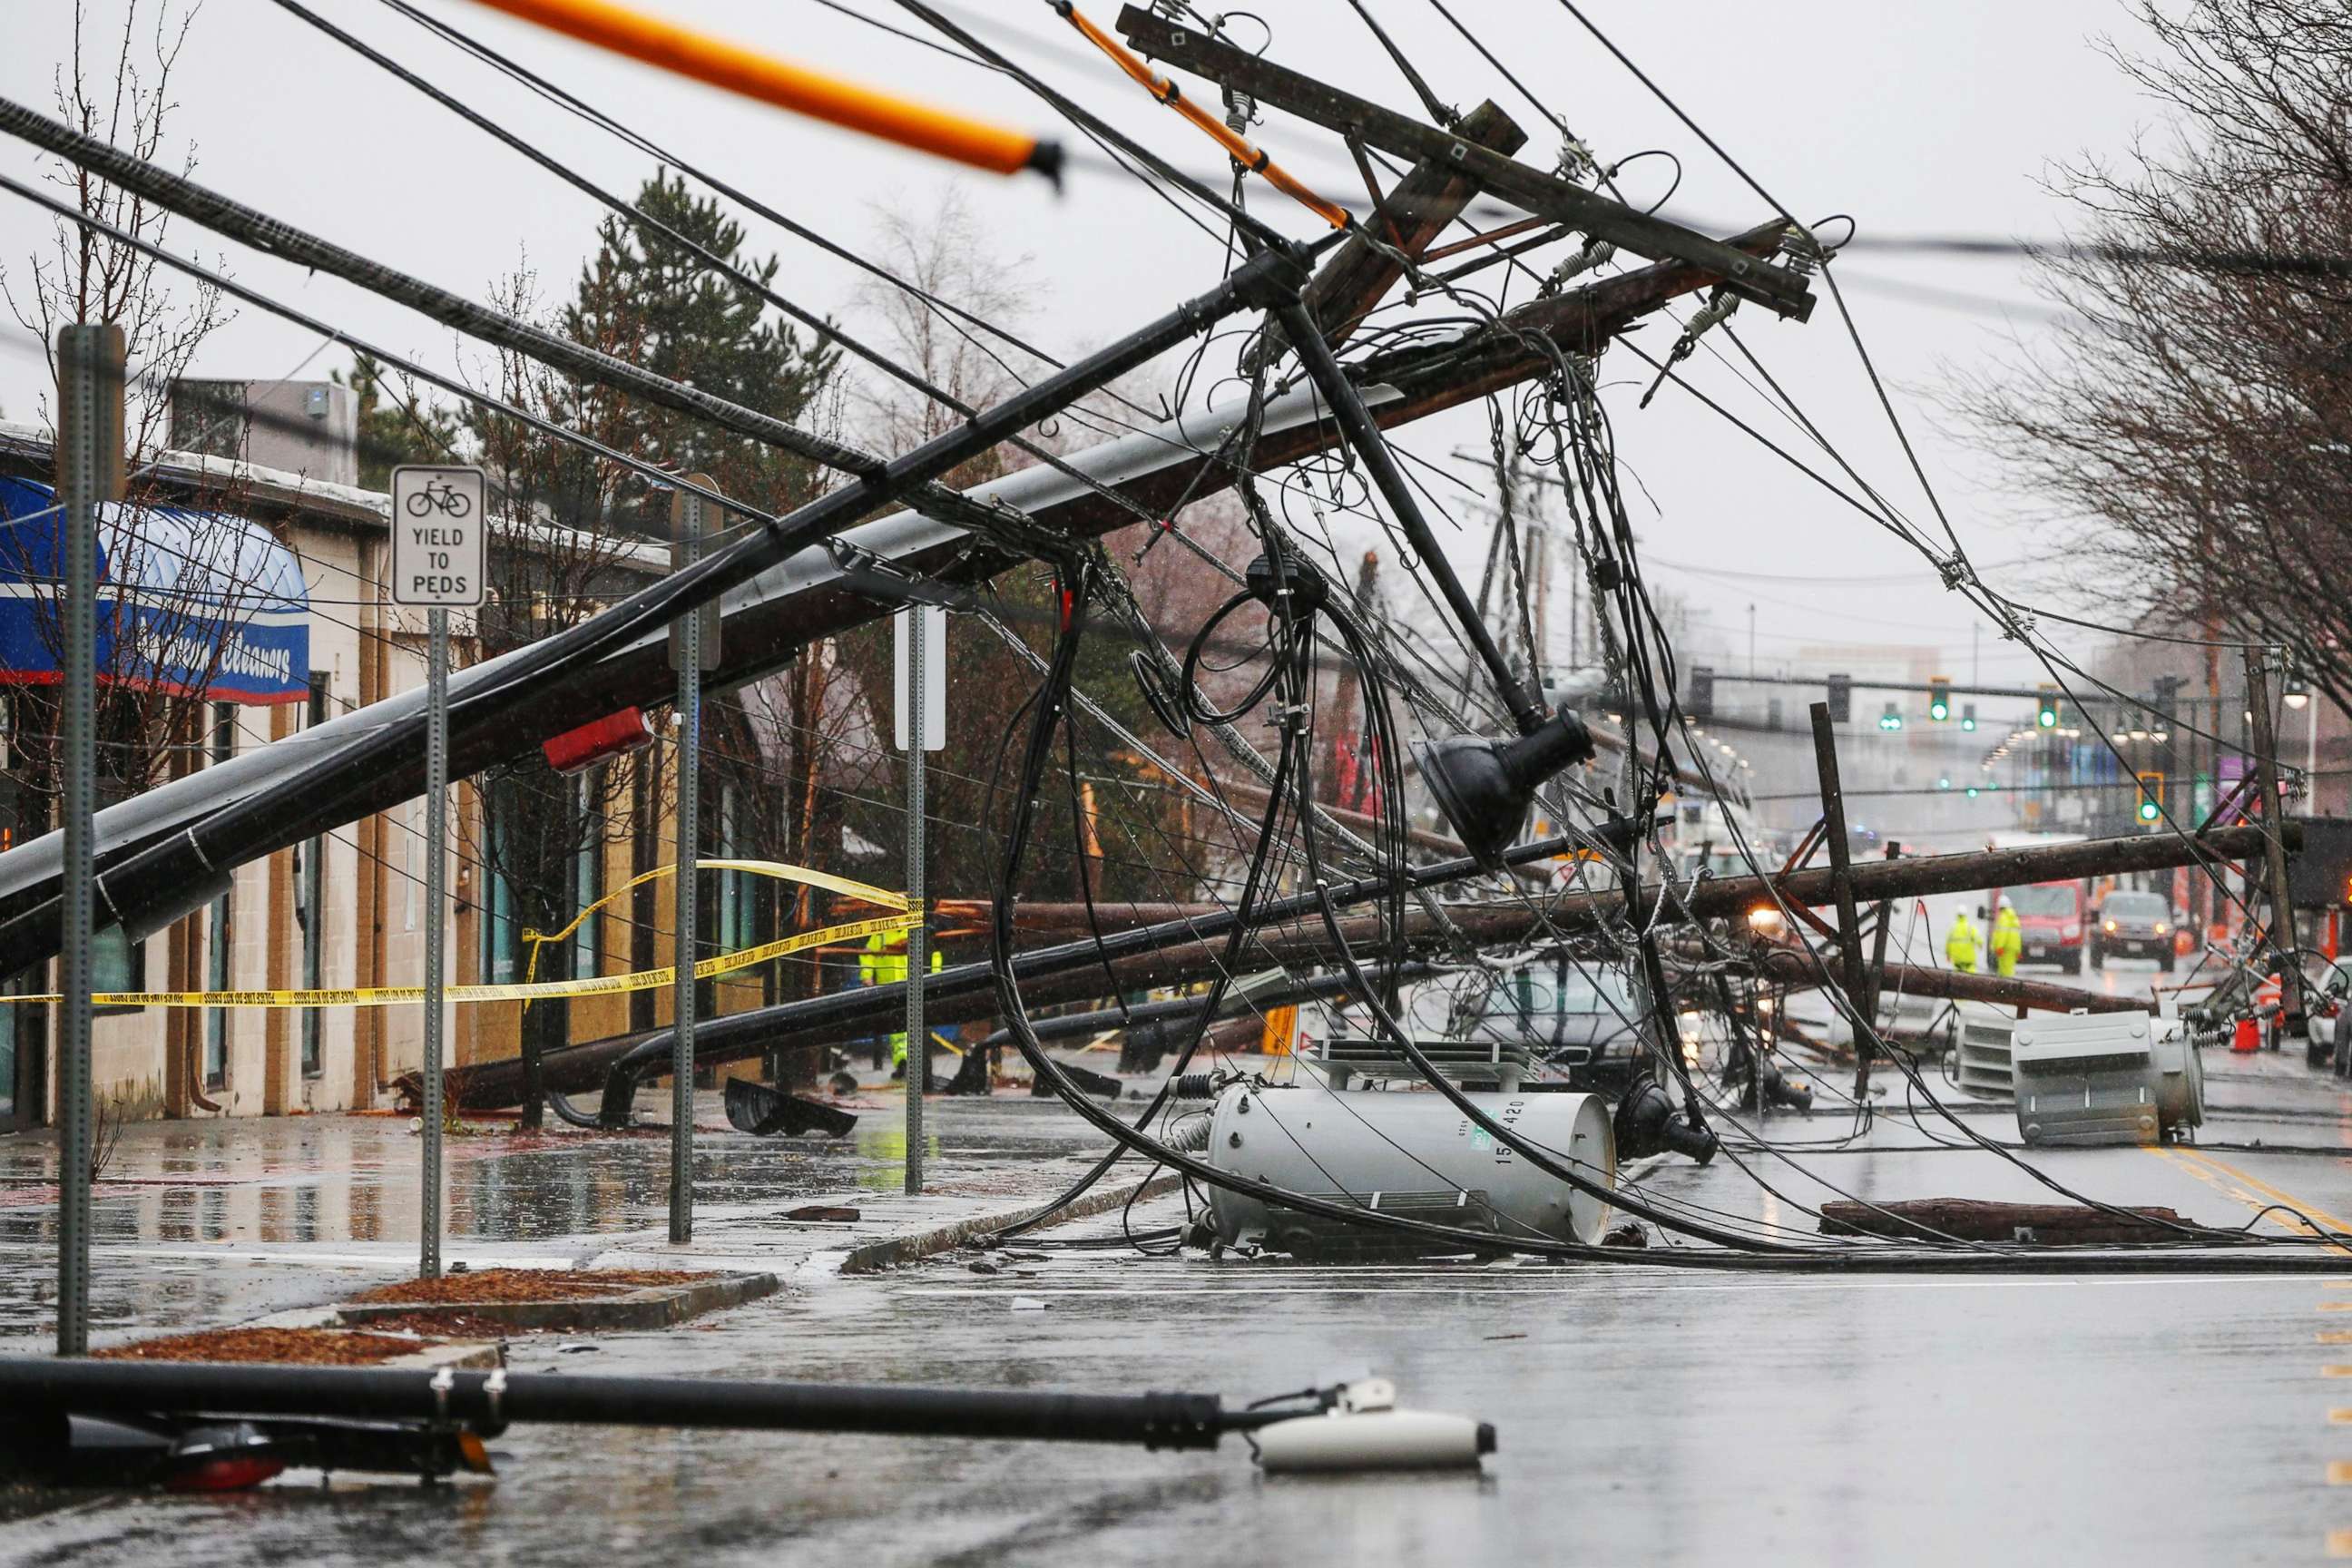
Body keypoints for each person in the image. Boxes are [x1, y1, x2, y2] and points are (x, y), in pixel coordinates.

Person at [862, 925, 943, 1078]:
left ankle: (909, 1063)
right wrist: (867, 976)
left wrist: (934, 977)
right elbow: (867, 955)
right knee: (897, 1030)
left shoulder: (916, 931)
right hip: (889, 989)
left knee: (912, 1026)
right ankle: (903, 1062)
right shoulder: (881, 933)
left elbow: (934, 955)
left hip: (912, 986)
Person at [1945, 908, 1981, 975]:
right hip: (1969, 964)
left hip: (1957, 963)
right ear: (1965, 915)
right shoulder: (1970, 927)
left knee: (1958, 982)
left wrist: (1948, 954)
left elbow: (1948, 943)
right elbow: (1979, 940)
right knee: (1970, 982)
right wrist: (1980, 945)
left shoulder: (1953, 928)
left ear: (1957, 915)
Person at [1990, 905, 2022, 977]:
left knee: (2004, 971)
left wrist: (1999, 947)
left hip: (2005, 948)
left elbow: (2002, 934)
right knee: (2009, 969)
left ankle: (2006, 986)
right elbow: (2018, 936)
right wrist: (2018, 951)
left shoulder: (2004, 917)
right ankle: (2009, 985)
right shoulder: (2014, 918)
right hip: (2013, 948)